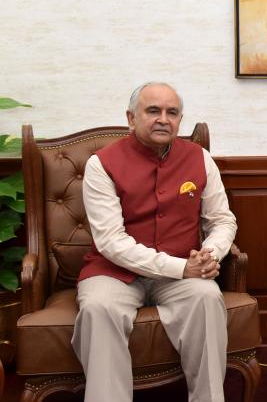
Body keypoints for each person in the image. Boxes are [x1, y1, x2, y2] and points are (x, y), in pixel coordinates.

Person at [71, 82, 237, 402]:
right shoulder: (101, 164)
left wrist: (209, 255)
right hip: (114, 272)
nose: (163, 119)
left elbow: (222, 220)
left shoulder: (200, 158)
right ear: (131, 118)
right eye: (153, 111)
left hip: (183, 272)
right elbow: (111, 241)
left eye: (172, 113)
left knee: (207, 298)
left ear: (180, 120)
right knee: (98, 308)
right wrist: (183, 268)